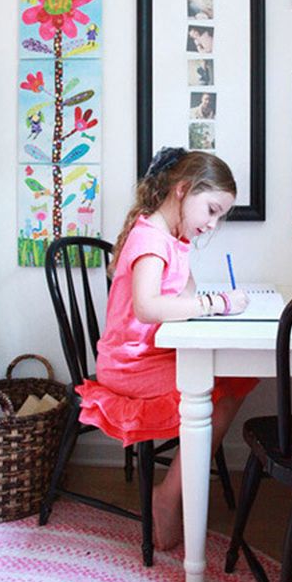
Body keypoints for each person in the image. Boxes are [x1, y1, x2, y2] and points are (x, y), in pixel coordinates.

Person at [76, 148, 257, 550]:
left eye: (219, 216)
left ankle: (175, 487)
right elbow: (148, 306)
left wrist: (199, 293)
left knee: (240, 378)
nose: (212, 224)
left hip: (151, 354)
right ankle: (169, 496)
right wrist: (216, 304)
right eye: (211, 210)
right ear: (183, 190)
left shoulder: (170, 238)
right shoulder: (150, 239)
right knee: (213, 396)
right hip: (130, 364)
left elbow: (181, 293)